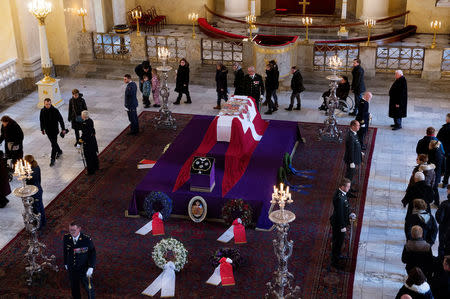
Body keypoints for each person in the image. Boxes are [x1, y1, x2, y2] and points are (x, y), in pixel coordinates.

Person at [63, 221, 96, 299]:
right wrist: (66, 263)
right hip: (72, 268)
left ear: (79, 229)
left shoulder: (86, 239)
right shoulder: (66, 237)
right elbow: (65, 251)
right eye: (70, 230)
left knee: (89, 287)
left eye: (74, 230)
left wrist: (91, 267)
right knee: (74, 288)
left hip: (84, 268)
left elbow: (92, 253)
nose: (71, 232)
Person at [329, 178, 352, 269]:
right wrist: (342, 226)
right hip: (338, 224)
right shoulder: (339, 198)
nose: (349, 188)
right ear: (342, 187)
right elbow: (339, 214)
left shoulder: (342, 194)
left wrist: (350, 213)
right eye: (348, 187)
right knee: (337, 243)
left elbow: (344, 209)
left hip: (340, 222)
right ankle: (335, 262)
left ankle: (337, 256)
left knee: (339, 242)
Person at [39, 98, 67, 167]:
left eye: (49, 104)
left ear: (51, 103)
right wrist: (42, 129)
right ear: (44, 104)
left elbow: (61, 120)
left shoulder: (55, 110)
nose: (48, 105)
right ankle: (59, 151)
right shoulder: (42, 111)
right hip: (48, 131)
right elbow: (41, 120)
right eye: (46, 104)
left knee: (53, 144)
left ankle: (52, 159)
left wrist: (63, 128)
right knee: (53, 143)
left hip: (54, 130)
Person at [24, 155, 45, 228]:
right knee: (39, 206)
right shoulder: (36, 166)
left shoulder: (32, 171)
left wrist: (26, 175)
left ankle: (40, 224)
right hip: (38, 189)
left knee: (37, 208)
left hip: (35, 192)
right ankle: (42, 221)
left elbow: (30, 180)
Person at [344, 120, 362, 197]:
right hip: (351, 160)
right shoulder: (351, 137)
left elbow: (355, 146)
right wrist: (351, 162)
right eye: (358, 125)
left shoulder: (354, 133)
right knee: (349, 176)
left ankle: (349, 188)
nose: (359, 127)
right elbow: (350, 150)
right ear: (353, 126)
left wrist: (360, 152)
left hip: (354, 158)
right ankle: (346, 192)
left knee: (351, 175)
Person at [80, 111, 99, 175]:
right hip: (93, 140)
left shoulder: (84, 123)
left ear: (84, 116)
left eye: (81, 115)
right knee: (94, 154)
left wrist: (80, 140)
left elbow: (85, 134)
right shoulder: (90, 120)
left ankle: (90, 171)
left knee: (88, 157)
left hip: (88, 142)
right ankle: (96, 166)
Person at [428, 140, 445, 206]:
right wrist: (443, 172)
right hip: (438, 172)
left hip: (433, 173)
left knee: (434, 188)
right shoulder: (440, 151)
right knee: (434, 187)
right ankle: (434, 201)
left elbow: (430, 164)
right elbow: (444, 163)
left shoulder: (431, 152)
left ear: (431, 145)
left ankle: (437, 202)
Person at [436, 186, 450, 258]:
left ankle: (440, 261)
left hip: (445, 229)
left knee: (442, 246)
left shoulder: (444, 204)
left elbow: (439, 218)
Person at [437, 113, 450, 187]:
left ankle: (445, 182)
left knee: (446, 167)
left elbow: (438, 140)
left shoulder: (444, 129)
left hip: (445, 152)